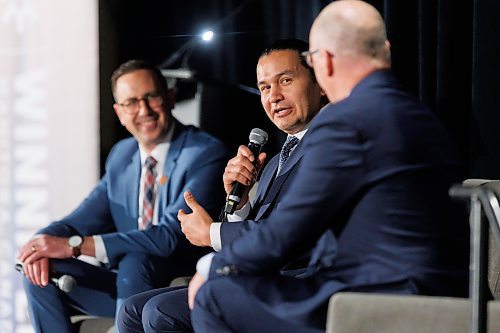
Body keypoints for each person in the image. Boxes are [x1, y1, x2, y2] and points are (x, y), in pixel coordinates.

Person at [180, 1, 470, 332]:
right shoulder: (422, 117)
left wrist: (213, 265)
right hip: (443, 293)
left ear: (324, 64)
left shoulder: (347, 121)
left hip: (382, 296)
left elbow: (286, 234)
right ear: (384, 50)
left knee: (214, 294)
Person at [116, 39, 336, 333]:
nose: (274, 96)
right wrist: (241, 204)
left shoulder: (332, 142)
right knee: (132, 310)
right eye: (265, 88)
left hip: (301, 283)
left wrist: (211, 233)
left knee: (161, 312)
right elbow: (259, 229)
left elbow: (296, 234)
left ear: (320, 83)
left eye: (285, 80)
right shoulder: (274, 161)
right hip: (261, 279)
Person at [16, 59, 228, 332]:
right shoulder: (122, 156)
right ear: (119, 112)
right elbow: (78, 220)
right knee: (40, 271)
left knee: (136, 259)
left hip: (175, 286)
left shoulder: (204, 152)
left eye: (151, 97)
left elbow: (169, 237)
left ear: (170, 97)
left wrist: (76, 245)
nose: (144, 110)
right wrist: (37, 244)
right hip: (125, 284)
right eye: (131, 103)